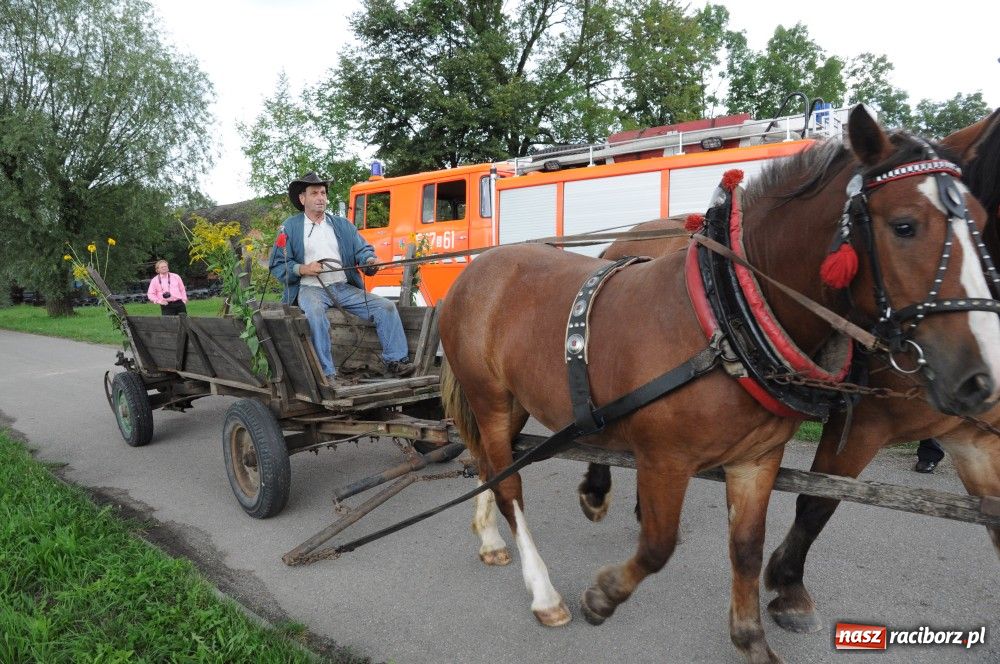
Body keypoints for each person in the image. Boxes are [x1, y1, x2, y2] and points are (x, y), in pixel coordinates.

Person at [268, 172, 415, 384]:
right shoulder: (290, 227)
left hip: (342, 287)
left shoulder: (341, 225)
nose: (320, 197)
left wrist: (369, 260)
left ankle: (396, 361)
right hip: (310, 288)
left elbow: (362, 249)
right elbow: (278, 263)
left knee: (385, 307)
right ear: (303, 199)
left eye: (323, 193)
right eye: (314, 193)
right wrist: (302, 268)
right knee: (316, 315)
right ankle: (327, 373)